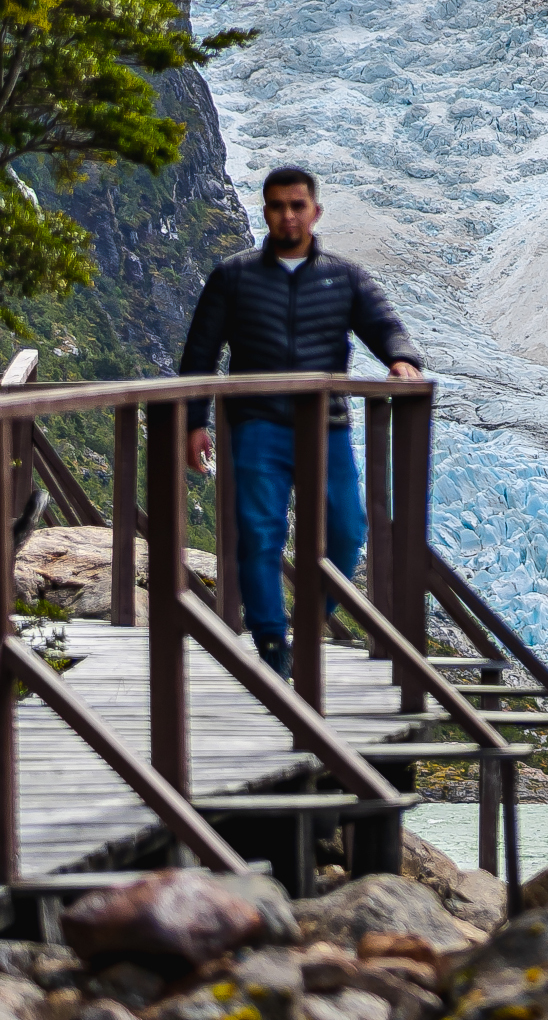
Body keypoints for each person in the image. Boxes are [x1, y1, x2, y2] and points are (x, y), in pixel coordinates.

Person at [179, 164, 422, 675]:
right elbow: (200, 351)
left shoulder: (344, 276)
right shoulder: (234, 275)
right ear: (265, 210)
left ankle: (309, 620)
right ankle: (271, 641)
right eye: (277, 206)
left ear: (315, 211)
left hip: (326, 424)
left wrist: (402, 360)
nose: (288, 215)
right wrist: (193, 422)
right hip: (256, 424)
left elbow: (383, 323)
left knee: (349, 529)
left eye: (297, 205)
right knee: (259, 530)